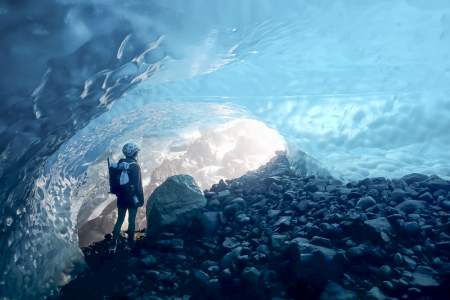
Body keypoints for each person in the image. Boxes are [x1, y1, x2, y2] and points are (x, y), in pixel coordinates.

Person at [112, 142, 144, 247]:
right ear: (134, 153)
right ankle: (130, 243)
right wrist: (140, 199)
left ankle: (113, 244)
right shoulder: (135, 166)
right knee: (131, 221)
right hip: (132, 199)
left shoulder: (120, 164)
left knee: (119, 220)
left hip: (121, 197)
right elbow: (137, 185)